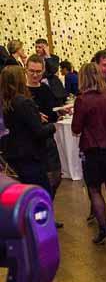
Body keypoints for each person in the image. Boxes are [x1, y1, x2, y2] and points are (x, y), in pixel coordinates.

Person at [71, 62, 106, 244]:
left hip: (92, 150)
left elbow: (76, 128)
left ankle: (104, 230)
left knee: (95, 190)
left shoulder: (82, 100)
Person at [0, 65, 55, 195]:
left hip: (11, 156)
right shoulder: (23, 102)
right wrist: (53, 127)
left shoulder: (4, 102)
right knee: (41, 194)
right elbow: (39, 132)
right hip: (29, 156)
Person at [25, 55, 63, 205]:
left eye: (38, 72)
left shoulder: (45, 89)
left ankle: (47, 209)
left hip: (47, 138)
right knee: (37, 182)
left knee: (56, 176)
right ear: (26, 70)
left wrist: (58, 113)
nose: (35, 75)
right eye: (32, 71)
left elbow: (52, 113)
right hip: (31, 142)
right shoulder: (22, 92)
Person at [33, 38, 66, 106]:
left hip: (54, 90)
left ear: (45, 48)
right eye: (36, 47)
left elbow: (53, 70)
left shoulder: (54, 58)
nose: (37, 49)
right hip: (40, 89)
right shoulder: (34, 59)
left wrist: (48, 56)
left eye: (39, 47)